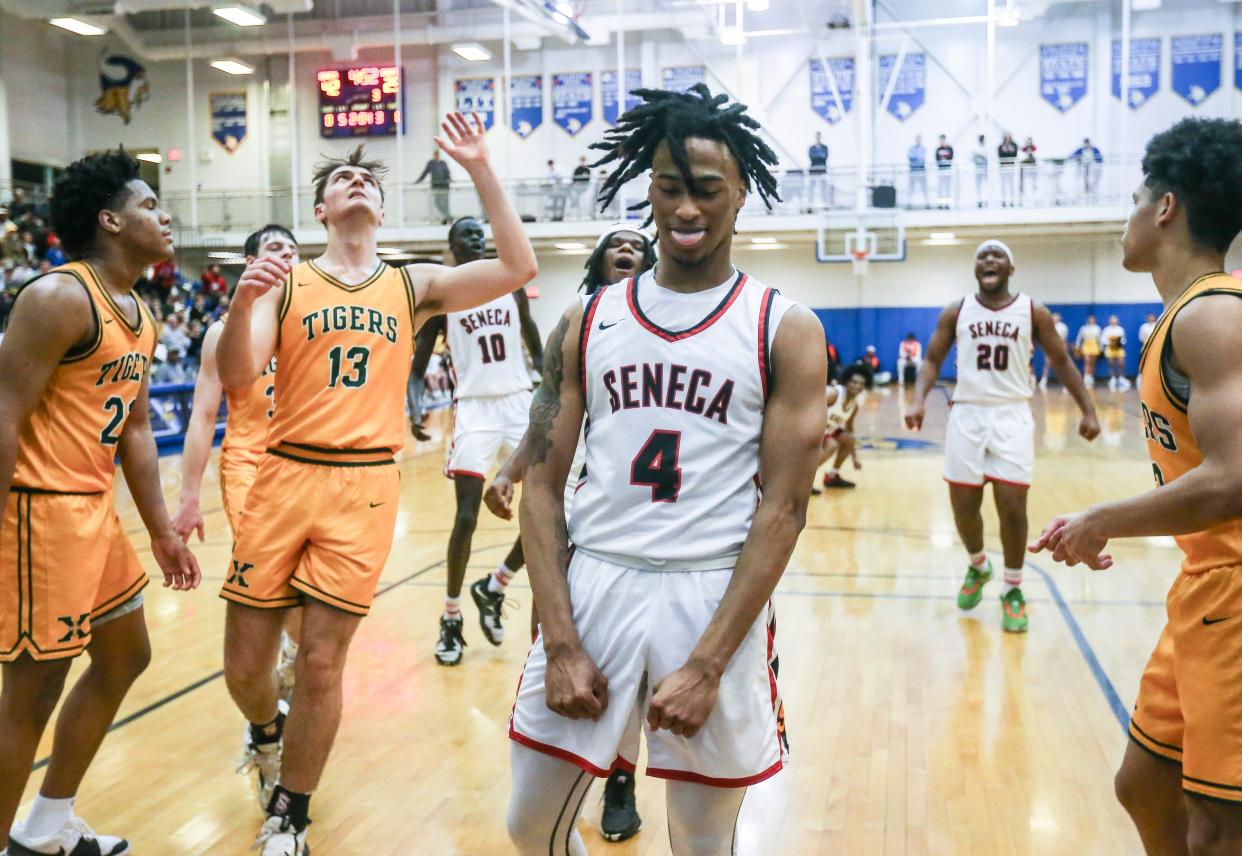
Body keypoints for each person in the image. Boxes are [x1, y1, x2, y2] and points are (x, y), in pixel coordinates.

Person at [506, 83, 825, 856]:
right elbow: (541, 486)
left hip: (709, 589)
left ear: (741, 192)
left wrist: (710, 663)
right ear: (648, 190)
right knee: (527, 824)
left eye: (707, 191)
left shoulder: (783, 328)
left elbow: (782, 511)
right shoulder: (588, 319)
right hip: (598, 583)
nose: (686, 210)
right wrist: (562, 640)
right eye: (670, 189)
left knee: (701, 838)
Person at [216, 113, 537, 856]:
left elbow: (517, 267)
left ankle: (289, 813)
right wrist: (239, 305)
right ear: (322, 209)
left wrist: (482, 168)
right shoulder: (287, 282)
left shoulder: (411, 282)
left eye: (365, 178)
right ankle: (266, 728)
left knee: (325, 659)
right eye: (338, 180)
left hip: (363, 486)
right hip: (282, 474)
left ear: (381, 212)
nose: (354, 181)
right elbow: (238, 376)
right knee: (245, 666)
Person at [1029, 117, 1242, 855]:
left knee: (1219, 825)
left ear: (1166, 208)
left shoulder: (1213, 314)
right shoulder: (1183, 316)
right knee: (1145, 784)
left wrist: (1101, 518)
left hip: (1237, 590)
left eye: (1133, 198)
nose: (1125, 217)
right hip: (1205, 585)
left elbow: (1234, 480)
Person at [0, 151, 200, 855]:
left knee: (125, 656)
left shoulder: (139, 314)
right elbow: (5, 414)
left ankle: (46, 827)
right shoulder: (58, 297)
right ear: (110, 220)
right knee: (29, 696)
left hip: (93, 509)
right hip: (37, 513)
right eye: (150, 205)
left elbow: (137, 430)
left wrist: (162, 531)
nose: (165, 216)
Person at [485, 221, 657, 843]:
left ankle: (620, 779)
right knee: (552, 637)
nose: (627, 250)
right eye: (617, 244)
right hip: (575, 503)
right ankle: (559, 769)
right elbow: (546, 413)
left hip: (643, 523)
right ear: (599, 259)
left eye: (638, 246)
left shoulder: (677, 323)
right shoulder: (582, 322)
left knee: (634, 668)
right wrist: (508, 472)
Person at [905, 239, 1098, 633]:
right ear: (976, 269)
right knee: (963, 505)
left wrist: (1089, 409)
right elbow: (931, 359)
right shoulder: (956, 310)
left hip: (1011, 414)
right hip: (967, 414)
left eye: (998, 257)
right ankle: (979, 565)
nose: (989, 261)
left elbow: (1060, 360)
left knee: (1012, 506)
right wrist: (917, 399)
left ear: (1011, 269)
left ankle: (1012, 588)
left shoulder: (1033, 311)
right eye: (982, 257)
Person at [171, 225, 302, 806]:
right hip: (250, 468)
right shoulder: (224, 331)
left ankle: (281, 697)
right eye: (275, 250)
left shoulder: (313, 320)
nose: (287, 259)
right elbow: (202, 417)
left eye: (295, 252)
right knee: (273, 601)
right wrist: (189, 495)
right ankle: (267, 729)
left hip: (311, 470)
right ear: (251, 262)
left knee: (309, 619)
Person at [408, 216, 542, 667]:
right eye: (466, 234)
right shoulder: (444, 297)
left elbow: (535, 343)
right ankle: (450, 616)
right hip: (475, 410)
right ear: (452, 245)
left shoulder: (510, 285)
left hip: (519, 402)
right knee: (465, 516)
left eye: (479, 232)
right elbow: (417, 365)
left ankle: (496, 585)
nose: (476, 238)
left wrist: (551, 385)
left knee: (548, 505)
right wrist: (414, 405)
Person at [817, 373, 866, 491]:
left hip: (825, 430)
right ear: (846, 382)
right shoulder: (834, 393)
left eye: (860, 384)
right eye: (854, 382)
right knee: (832, 445)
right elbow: (811, 404)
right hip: (812, 428)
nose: (857, 386)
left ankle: (832, 476)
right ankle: (804, 480)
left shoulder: (855, 405)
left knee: (849, 439)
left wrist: (855, 458)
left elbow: (849, 429)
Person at [414, 148, 452, 223]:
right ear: (434, 155)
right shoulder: (431, 163)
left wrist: (450, 180)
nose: (436, 156)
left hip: (444, 186)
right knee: (437, 203)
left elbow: (448, 173)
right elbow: (424, 173)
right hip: (436, 186)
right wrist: (418, 181)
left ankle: (447, 218)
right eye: (435, 154)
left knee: (445, 204)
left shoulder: (443, 163)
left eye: (437, 154)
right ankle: (448, 217)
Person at [1038, 311, 1070, 389]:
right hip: (1050, 347)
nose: (1055, 319)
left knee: (1062, 365)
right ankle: (1044, 380)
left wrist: (1064, 347)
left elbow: (1064, 340)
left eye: (1057, 317)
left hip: (1060, 346)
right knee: (1047, 364)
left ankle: (1065, 383)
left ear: (1059, 318)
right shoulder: (1048, 326)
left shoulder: (1063, 327)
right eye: (1054, 317)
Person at [1101, 314, 1129, 391]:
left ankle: (1121, 378)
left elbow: (1123, 340)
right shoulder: (1106, 330)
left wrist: (1118, 342)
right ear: (1110, 321)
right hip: (1110, 348)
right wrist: (1110, 342)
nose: (1113, 322)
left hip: (1119, 348)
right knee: (1111, 363)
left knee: (1121, 363)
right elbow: (1103, 339)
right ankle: (1113, 378)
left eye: (1115, 320)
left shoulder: (1120, 329)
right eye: (1112, 321)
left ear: (1117, 321)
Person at [1069, 137, 1103, 202]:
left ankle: (1093, 198)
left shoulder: (1094, 150)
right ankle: (1082, 198)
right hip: (1083, 169)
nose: (1086, 145)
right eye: (1085, 143)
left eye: (1087, 143)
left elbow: (1100, 159)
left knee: (1093, 184)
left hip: (1092, 170)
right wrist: (1078, 159)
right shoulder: (1080, 150)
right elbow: (1072, 156)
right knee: (1082, 184)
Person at [1075, 314, 1102, 387]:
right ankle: (1086, 377)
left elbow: (1099, 339)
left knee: (1092, 362)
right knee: (1087, 361)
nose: (1091, 321)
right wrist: (1077, 347)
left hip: (1094, 345)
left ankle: (1090, 376)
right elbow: (1079, 338)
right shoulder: (1083, 328)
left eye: (1093, 319)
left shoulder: (1097, 328)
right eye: (1090, 319)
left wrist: (1101, 348)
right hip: (1086, 345)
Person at [809, 131, 830, 210]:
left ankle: (825, 205)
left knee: (823, 188)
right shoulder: (812, 148)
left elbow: (825, 157)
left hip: (822, 170)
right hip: (813, 171)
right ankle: (810, 205)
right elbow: (812, 157)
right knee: (812, 189)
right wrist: (820, 155)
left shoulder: (825, 147)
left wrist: (818, 155)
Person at [998, 132, 1018, 207]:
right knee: (1003, 185)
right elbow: (1000, 156)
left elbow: (1015, 155)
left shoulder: (1014, 145)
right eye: (1006, 137)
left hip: (1011, 167)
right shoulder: (1000, 146)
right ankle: (1003, 201)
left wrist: (1010, 150)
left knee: (1011, 184)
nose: (1007, 139)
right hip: (1003, 168)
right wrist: (1005, 150)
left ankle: (1012, 201)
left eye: (1008, 137)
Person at [907, 135, 928, 208]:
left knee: (924, 187)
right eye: (917, 139)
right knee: (911, 188)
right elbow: (910, 157)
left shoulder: (923, 148)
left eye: (919, 139)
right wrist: (917, 158)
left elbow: (921, 158)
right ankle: (909, 203)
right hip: (913, 170)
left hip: (921, 170)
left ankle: (927, 203)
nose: (918, 141)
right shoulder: (911, 148)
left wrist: (916, 157)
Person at [934, 134, 954, 208]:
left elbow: (951, 157)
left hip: (948, 170)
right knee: (941, 187)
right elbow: (937, 158)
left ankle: (947, 203)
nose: (942, 141)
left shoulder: (949, 148)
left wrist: (944, 158)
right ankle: (940, 203)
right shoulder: (938, 149)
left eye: (943, 139)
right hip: (941, 170)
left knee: (947, 187)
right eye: (940, 140)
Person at [1019, 136, 1038, 203]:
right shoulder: (1023, 150)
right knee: (1025, 185)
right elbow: (1021, 160)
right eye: (1027, 142)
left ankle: (1034, 200)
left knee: (1033, 185)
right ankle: (1025, 200)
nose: (1028, 143)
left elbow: (1036, 159)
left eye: (1029, 142)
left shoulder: (1034, 149)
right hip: (1025, 172)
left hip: (1033, 172)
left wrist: (1031, 154)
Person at [972, 133, 989, 207]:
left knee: (985, 185)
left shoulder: (986, 147)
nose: (981, 140)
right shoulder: (975, 147)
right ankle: (979, 200)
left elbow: (987, 156)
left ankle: (985, 200)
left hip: (985, 168)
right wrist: (978, 156)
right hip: (978, 168)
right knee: (978, 185)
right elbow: (972, 157)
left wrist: (980, 155)